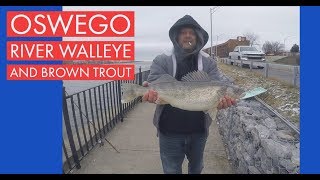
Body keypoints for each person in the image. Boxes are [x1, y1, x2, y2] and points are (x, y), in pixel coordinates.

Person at [142, 15, 236, 174]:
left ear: (197, 37)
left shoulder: (209, 63)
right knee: (171, 170)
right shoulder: (162, 60)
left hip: (198, 132)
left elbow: (215, 90)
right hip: (169, 132)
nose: (187, 35)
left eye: (191, 33)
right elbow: (154, 81)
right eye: (183, 32)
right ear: (176, 37)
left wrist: (219, 104)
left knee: (196, 168)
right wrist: (151, 94)